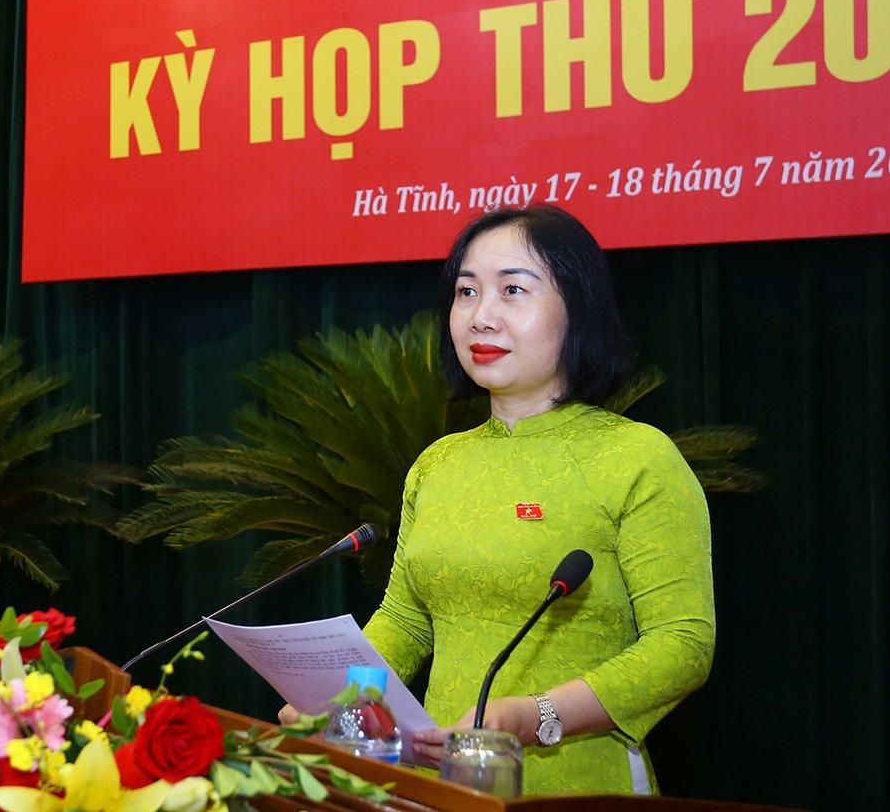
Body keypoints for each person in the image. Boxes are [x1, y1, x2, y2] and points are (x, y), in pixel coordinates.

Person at [282, 205, 714, 795]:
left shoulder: (638, 458)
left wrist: (534, 716)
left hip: (582, 787)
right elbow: (406, 621)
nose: (481, 317)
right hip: (440, 785)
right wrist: (336, 696)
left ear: (578, 309)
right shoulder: (438, 464)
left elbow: (683, 645)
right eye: (467, 292)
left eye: (513, 290)